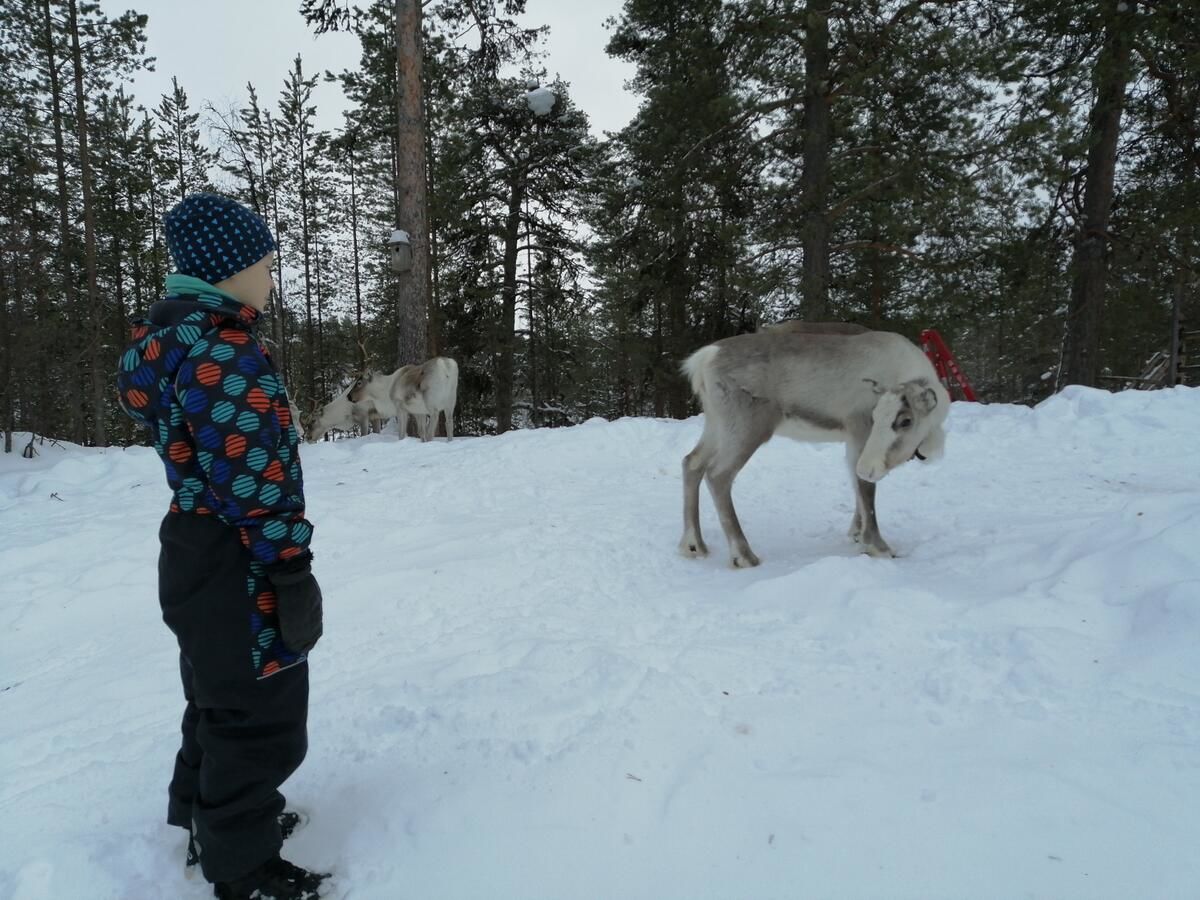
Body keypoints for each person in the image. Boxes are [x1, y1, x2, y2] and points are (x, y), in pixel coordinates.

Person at [116, 193, 327, 900]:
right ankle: (242, 868)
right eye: (266, 265)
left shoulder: (173, 341)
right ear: (228, 268)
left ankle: (207, 818)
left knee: (216, 692)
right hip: (238, 549)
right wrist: (290, 566)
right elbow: (252, 476)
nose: (271, 278)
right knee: (260, 711)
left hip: (192, 544)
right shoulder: (223, 351)